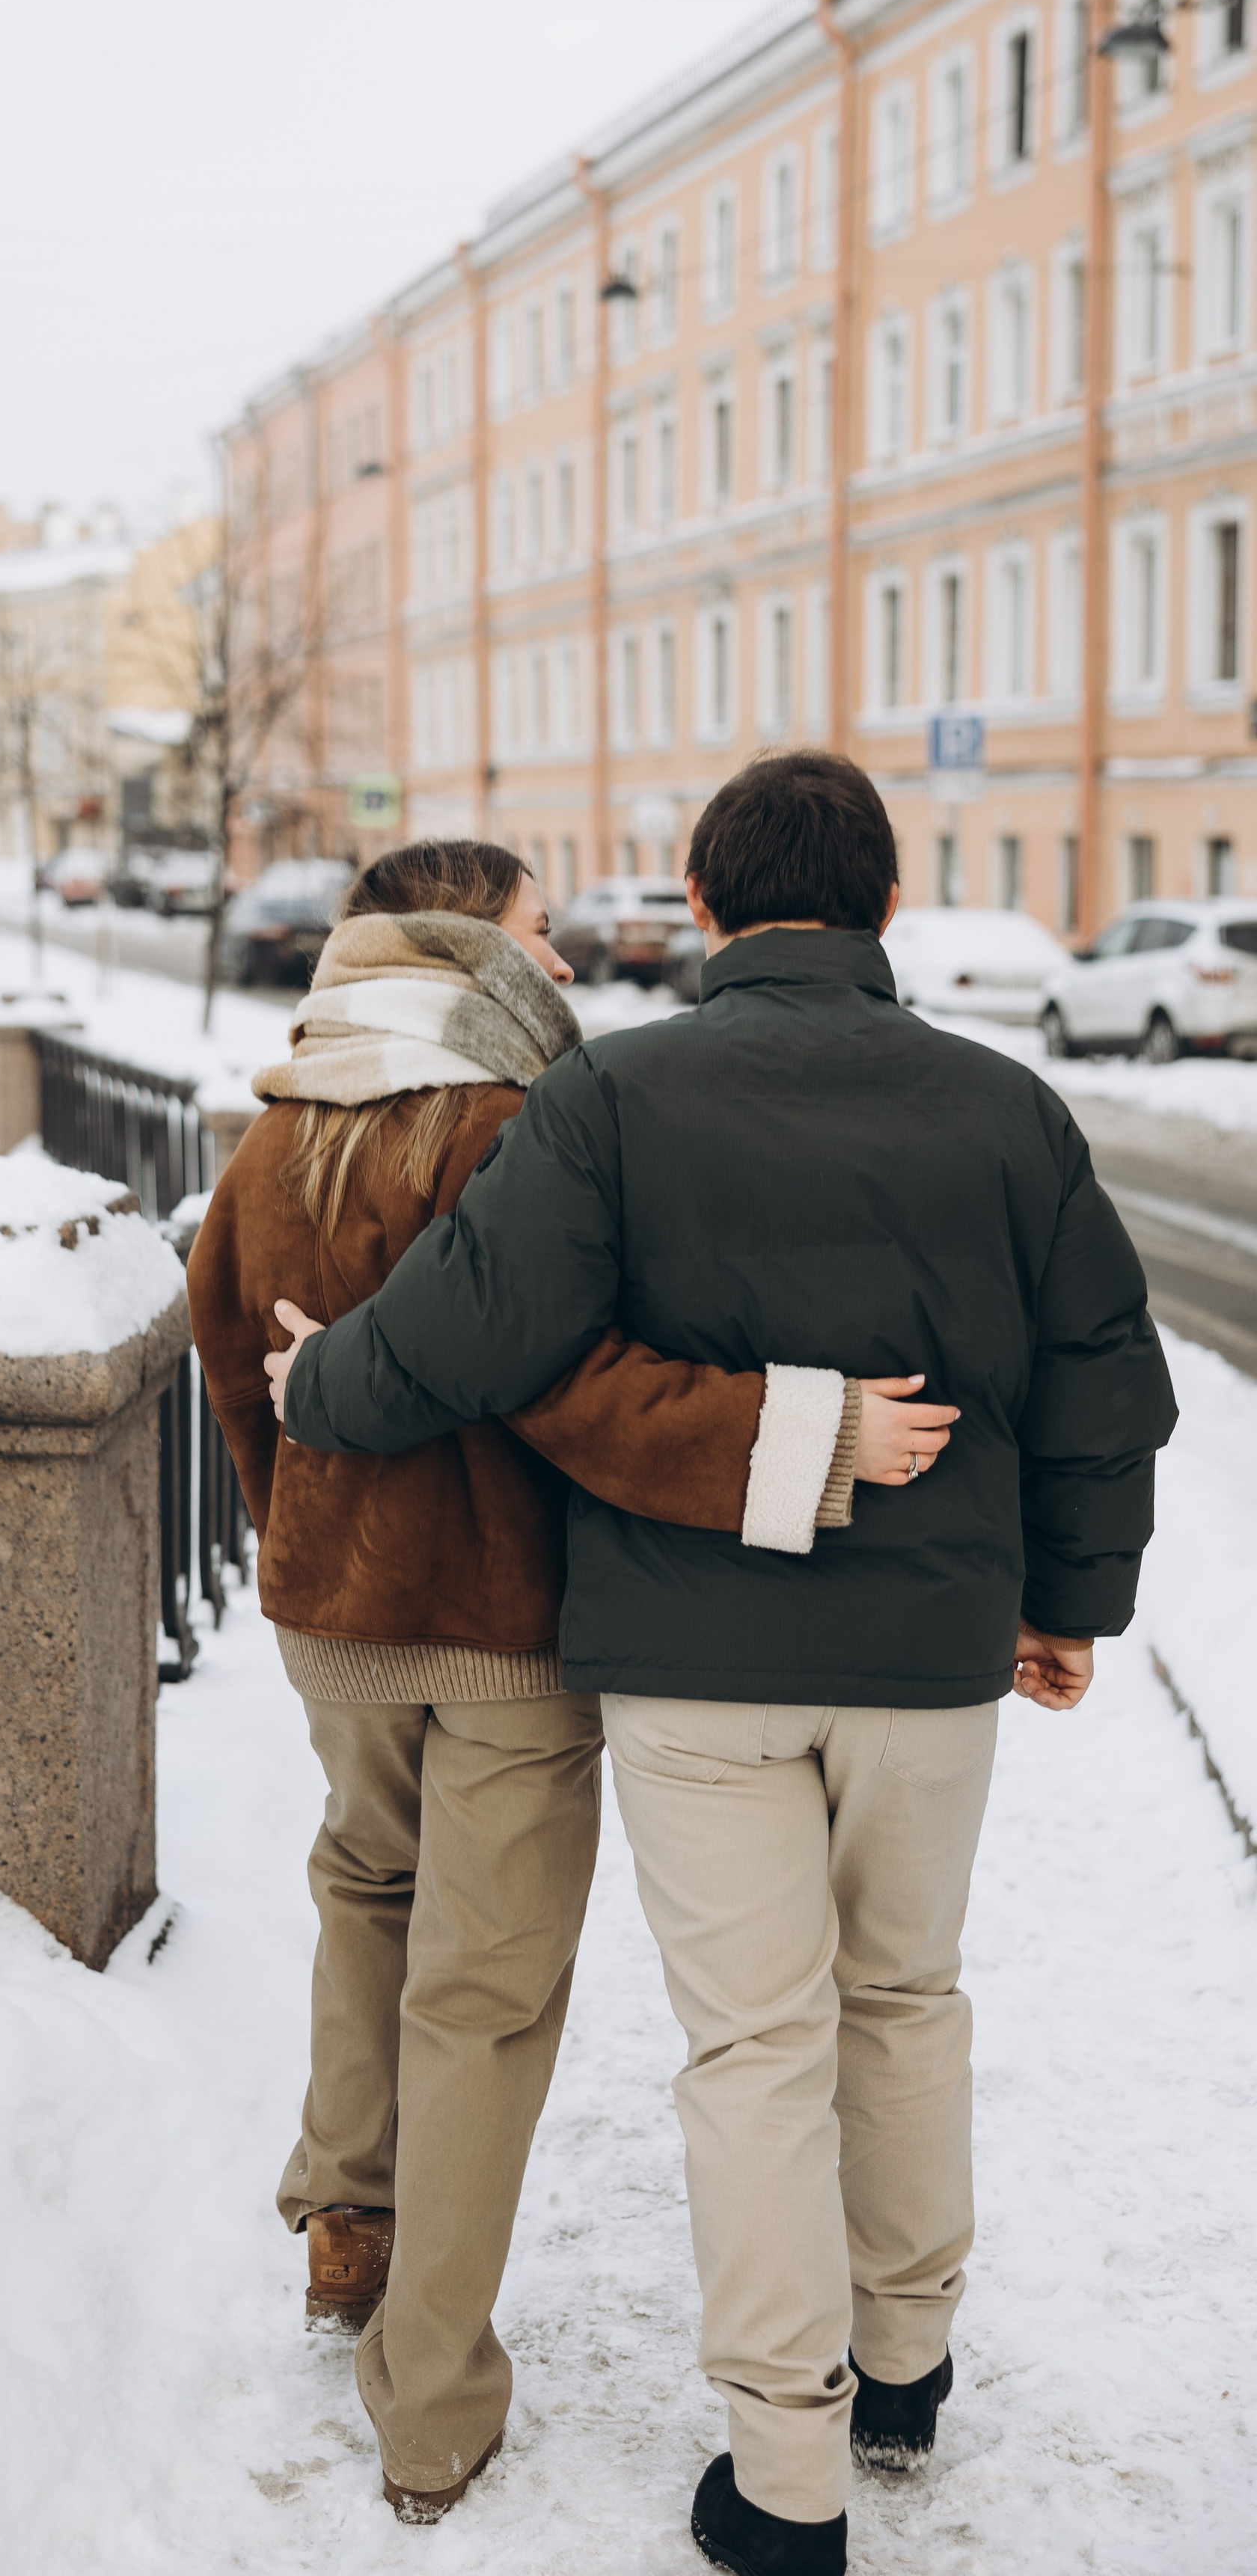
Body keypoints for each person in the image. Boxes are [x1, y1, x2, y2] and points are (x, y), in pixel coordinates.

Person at [266, 759, 1176, 2576]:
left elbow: (465, 1329)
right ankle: (904, 2364)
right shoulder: (1009, 1112)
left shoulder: (611, 1093)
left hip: (694, 1665)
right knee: (902, 2000)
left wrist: (314, 1389)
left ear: (699, 904)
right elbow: (1101, 1383)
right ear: (885, 906)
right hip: (929, 1654)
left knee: (753, 2047)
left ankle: (785, 2479)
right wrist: (1065, 1604)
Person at [187, 834, 952, 2529]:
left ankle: (345, 2214)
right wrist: (795, 1437)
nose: (559, 955)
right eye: (536, 929)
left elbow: (226, 1367)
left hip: (336, 1617)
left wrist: (295, 1540)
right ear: (472, 948)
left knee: (361, 1884)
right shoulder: (513, 1125)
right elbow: (565, 1386)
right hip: (506, 1630)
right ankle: (431, 2404)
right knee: (483, 1996)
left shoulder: (272, 1131)